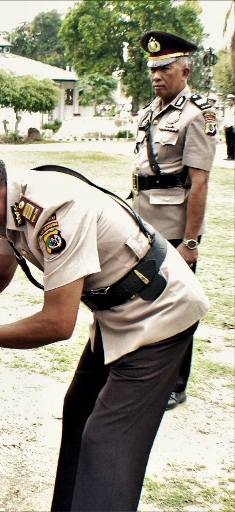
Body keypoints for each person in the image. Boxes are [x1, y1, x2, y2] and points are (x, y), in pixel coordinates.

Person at [0, 118, 209, 511]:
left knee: (108, 441)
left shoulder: (54, 211)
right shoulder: (11, 203)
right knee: (79, 409)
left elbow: (58, 324)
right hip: (118, 312)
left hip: (160, 311)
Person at [130, 30, 217, 410]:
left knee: (177, 307)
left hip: (173, 230)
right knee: (142, 302)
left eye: (165, 67)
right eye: (152, 68)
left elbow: (198, 185)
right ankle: (142, 373)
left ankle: (175, 384)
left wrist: (191, 242)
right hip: (143, 224)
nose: (157, 75)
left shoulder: (195, 116)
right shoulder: (149, 113)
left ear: (185, 69)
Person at [225, 94, 235, 161]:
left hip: (232, 126)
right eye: (228, 100)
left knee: (232, 142)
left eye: (230, 100)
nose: (229, 102)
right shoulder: (227, 109)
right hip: (227, 126)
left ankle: (232, 156)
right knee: (228, 142)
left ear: (234, 101)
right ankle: (229, 155)